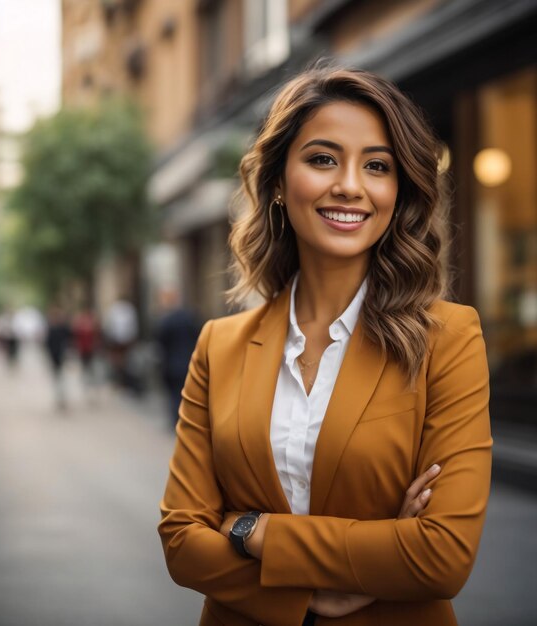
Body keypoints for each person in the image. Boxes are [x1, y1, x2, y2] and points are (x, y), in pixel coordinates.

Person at [159, 67, 492, 626]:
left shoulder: (449, 339)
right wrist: (313, 591)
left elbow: (441, 557)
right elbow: (181, 541)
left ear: (398, 192)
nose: (350, 185)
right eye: (322, 159)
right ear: (280, 184)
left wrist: (247, 528)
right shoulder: (220, 345)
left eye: (377, 166)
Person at [155, 288, 200, 428]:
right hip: (188, 361)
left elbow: (160, 342)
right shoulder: (189, 317)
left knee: (174, 394)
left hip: (171, 363)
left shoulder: (166, 321)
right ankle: (186, 419)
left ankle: (178, 420)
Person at [44, 305, 71, 410]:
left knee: (61, 377)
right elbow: (48, 344)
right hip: (55, 356)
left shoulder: (63, 328)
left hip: (61, 356)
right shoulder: (52, 328)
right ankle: (60, 397)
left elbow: (69, 341)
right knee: (58, 377)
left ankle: (62, 397)